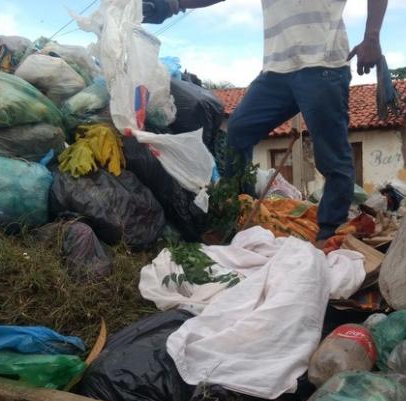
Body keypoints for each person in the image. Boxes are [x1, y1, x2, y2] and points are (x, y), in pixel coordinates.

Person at [144, 0, 388, 243]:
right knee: (239, 130)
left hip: (323, 65)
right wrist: (173, 5)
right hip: (276, 72)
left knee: (332, 157)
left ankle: (330, 233)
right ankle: (238, 215)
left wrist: (373, 37)